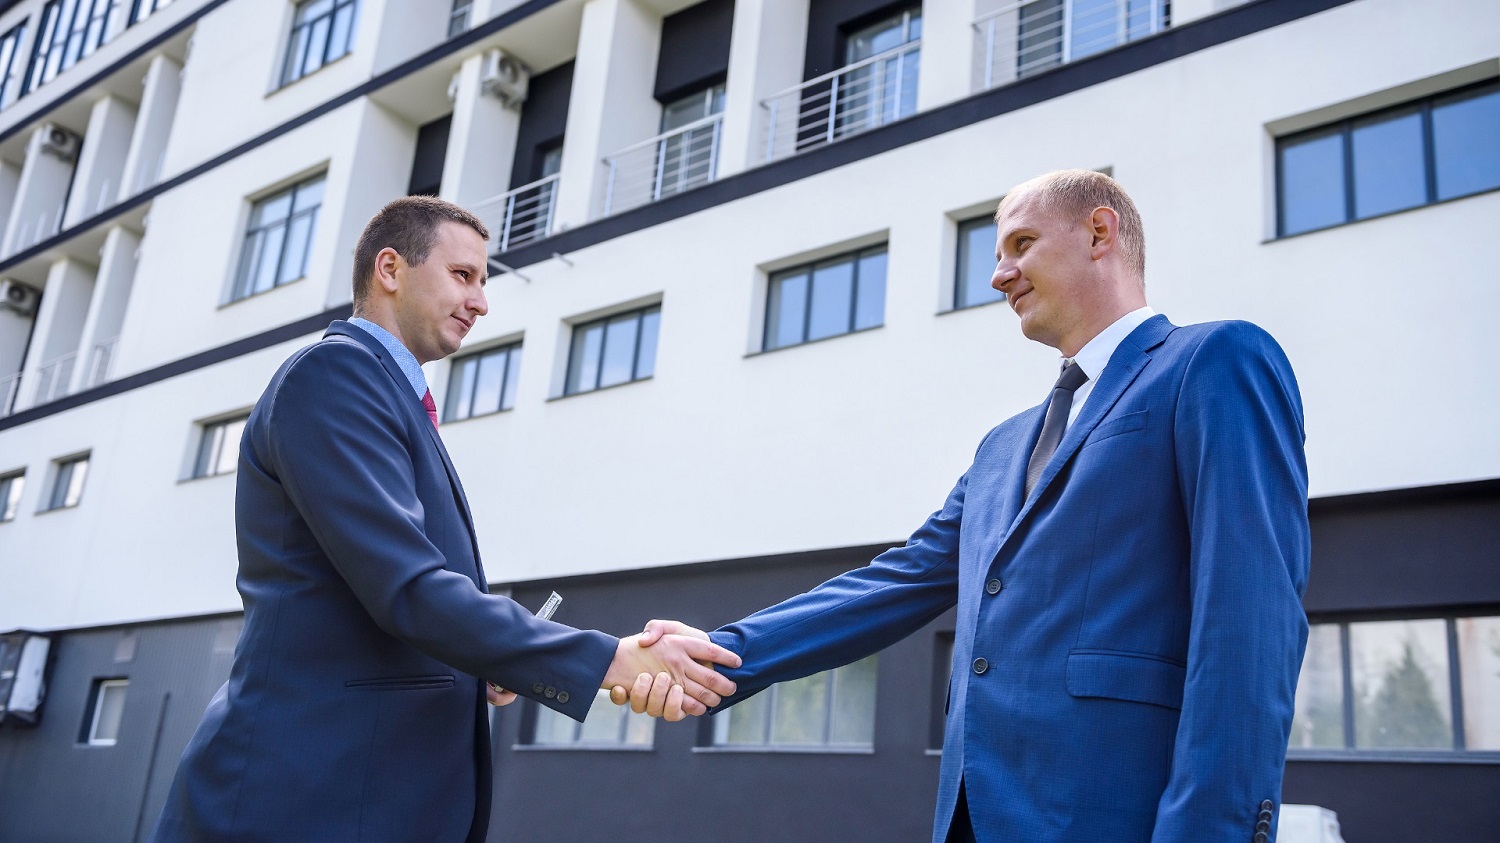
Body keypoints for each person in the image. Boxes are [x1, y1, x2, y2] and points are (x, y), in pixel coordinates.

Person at [621, 170, 1310, 843]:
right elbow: (892, 583)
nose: (998, 275)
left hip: (1115, 816)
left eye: (1020, 244)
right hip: (973, 816)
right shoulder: (1002, 446)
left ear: (1100, 231)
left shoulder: (1212, 362)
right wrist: (719, 652)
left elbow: (1250, 626)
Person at [151, 196, 739, 842]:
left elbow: (379, 600)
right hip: (300, 805)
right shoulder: (334, 376)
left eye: (483, 281)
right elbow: (407, 589)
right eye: (464, 275)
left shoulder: (389, 397)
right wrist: (609, 661)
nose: (482, 301)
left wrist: (480, 662)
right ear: (390, 269)